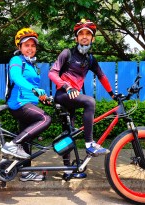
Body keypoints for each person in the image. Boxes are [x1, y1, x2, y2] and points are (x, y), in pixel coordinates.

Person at [48, 19, 116, 179]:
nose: (84, 37)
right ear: (76, 38)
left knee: (69, 132)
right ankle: (89, 144)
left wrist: (113, 94)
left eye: (88, 34)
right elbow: (52, 72)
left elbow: (101, 76)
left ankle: (67, 170)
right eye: (81, 34)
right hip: (63, 95)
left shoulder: (90, 59)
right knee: (90, 102)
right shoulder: (67, 53)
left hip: (73, 97)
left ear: (92, 39)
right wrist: (67, 86)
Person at [2, 28, 52, 182]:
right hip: (19, 103)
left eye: (33, 45)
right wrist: (34, 89)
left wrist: (43, 98)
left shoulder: (33, 66)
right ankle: (12, 144)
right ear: (20, 47)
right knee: (45, 119)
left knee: (27, 138)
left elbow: (34, 89)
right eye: (26, 45)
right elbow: (17, 78)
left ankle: (25, 172)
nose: (30, 48)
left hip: (29, 103)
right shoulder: (16, 61)